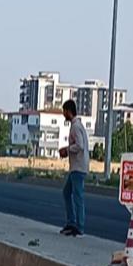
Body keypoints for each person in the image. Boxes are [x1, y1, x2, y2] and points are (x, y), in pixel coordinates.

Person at [59, 99, 90, 237]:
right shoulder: (77, 125)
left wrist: (67, 150)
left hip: (78, 167)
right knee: (67, 193)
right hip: (76, 167)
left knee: (77, 197)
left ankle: (79, 226)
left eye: (64, 111)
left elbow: (80, 145)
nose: (63, 114)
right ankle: (72, 222)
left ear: (68, 111)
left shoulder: (76, 127)